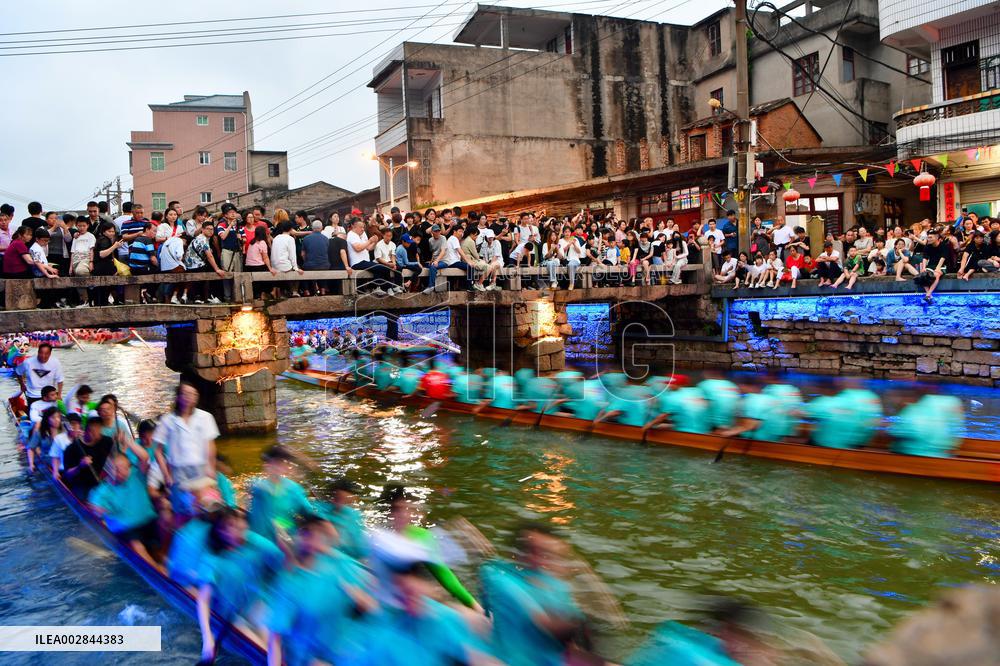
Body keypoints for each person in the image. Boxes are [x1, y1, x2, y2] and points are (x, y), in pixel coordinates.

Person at [265, 514, 375, 666]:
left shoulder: (337, 565)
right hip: (311, 659)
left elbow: (370, 602)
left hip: (344, 653)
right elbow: (275, 637)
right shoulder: (291, 583)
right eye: (307, 533)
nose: (313, 538)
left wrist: (360, 600)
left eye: (318, 533)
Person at [480, 522, 585, 666]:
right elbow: (543, 622)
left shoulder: (555, 584)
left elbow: (572, 638)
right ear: (515, 554)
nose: (538, 560)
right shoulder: (500, 580)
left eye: (546, 554)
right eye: (531, 551)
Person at [153, 383, 221, 522]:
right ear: (178, 397)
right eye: (186, 394)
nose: (190, 397)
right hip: (178, 470)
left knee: (206, 504)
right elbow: (158, 451)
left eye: (194, 394)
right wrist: (166, 475)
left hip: (201, 467)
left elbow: (210, 445)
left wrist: (211, 467)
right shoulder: (168, 420)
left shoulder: (205, 417)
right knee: (182, 508)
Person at [89, 455, 161, 566]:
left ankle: (162, 560)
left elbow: (144, 458)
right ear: (110, 469)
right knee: (136, 545)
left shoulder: (136, 475)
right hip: (128, 530)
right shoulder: (102, 492)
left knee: (163, 524)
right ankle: (157, 571)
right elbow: (96, 509)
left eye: (125, 468)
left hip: (149, 521)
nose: (122, 472)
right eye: (117, 468)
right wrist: (99, 511)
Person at [247, 445, 313, 543]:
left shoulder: (293, 488)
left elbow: (308, 512)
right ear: (267, 464)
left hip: (283, 538)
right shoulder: (258, 487)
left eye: (281, 462)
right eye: (276, 462)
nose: (278, 466)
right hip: (265, 539)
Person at [61, 417, 115, 499]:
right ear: (87, 431)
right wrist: (80, 466)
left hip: (99, 481)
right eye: (94, 431)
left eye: (100, 430)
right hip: (81, 484)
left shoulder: (106, 441)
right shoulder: (72, 448)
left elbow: (114, 456)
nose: (99, 435)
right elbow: (68, 475)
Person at [17, 341, 64, 407]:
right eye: (41, 353)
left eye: (46, 354)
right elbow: (18, 372)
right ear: (38, 352)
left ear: (50, 354)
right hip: (33, 394)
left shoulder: (55, 362)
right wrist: (22, 384)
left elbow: (60, 380)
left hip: (49, 395)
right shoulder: (28, 362)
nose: (43, 356)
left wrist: (59, 395)